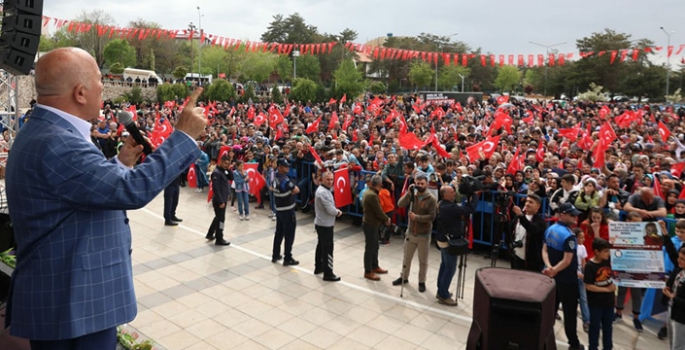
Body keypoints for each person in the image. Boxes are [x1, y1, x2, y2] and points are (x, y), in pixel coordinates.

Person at [4, 48, 206, 349]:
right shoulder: (58, 142)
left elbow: (79, 190)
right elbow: (132, 191)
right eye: (99, 80)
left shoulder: (46, 131)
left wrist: (121, 163)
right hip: (75, 303)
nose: (104, 87)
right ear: (81, 92)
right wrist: (184, 137)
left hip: (67, 297)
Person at [543, 202, 585, 350]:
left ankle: (543, 339)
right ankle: (573, 344)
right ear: (562, 215)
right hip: (567, 280)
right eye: (572, 215)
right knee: (569, 313)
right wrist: (554, 269)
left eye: (575, 215)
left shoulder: (550, 229)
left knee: (550, 311)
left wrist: (549, 267)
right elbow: (567, 260)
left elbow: (545, 251)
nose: (575, 217)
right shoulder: (569, 236)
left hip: (552, 278)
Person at [393, 174, 438, 293]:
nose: (419, 186)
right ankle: (404, 277)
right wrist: (408, 193)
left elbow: (432, 217)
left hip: (424, 234)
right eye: (417, 183)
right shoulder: (413, 194)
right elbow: (400, 204)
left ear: (427, 184)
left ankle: (421, 281)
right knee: (406, 257)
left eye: (422, 184)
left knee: (423, 261)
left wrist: (416, 217)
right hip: (411, 232)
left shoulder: (431, 199)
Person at [435, 185, 477, 306]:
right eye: (452, 192)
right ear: (445, 195)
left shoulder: (441, 204)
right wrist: (474, 196)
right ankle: (443, 295)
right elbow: (468, 210)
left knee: (444, 265)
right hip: (449, 241)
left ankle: (441, 290)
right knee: (450, 268)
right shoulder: (449, 207)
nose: (454, 194)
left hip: (442, 238)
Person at [615, 211, 646, 332]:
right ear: (628, 221)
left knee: (636, 294)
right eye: (635, 223)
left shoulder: (644, 234)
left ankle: (636, 318)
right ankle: (618, 313)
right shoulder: (620, 232)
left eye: (640, 223)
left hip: (638, 267)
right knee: (621, 291)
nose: (638, 225)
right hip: (623, 265)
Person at [584, 238, 615, 350]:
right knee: (595, 327)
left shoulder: (607, 260)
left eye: (608, 250)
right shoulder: (590, 266)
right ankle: (593, 347)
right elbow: (588, 286)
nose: (608, 253)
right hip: (595, 303)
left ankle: (608, 347)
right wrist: (607, 290)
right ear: (597, 252)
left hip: (609, 303)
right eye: (606, 251)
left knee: (608, 327)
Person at [659, 220, 685, 350]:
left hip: (681, 315)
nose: (678, 261)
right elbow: (672, 253)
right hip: (672, 308)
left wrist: (672, 296)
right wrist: (664, 232)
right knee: (673, 342)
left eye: (682, 259)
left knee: (679, 345)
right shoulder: (680, 268)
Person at [313, 171, 342, 282]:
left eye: (331, 179)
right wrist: (338, 212)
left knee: (320, 246)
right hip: (325, 225)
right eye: (328, 179)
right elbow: (330, 209)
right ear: (322, 179)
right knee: (328, 249)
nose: (330, 182)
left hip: (322, 223)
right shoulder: (323, 192)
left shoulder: (324, 190)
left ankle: (318, 266)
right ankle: (328, 272)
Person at [361, 175, 391, 281]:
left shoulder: (369, 192)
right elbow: (378, 211)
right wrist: (386, 219)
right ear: (380, 184)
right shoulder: (372, 195)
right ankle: (368, 271)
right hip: (371, 224)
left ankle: (375, 266)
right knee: (370, 248)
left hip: (372, 223)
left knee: (375, 246)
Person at [272, 158, 300, 266]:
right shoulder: (285, 180)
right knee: (289, 235)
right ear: (279, 167)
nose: (287, 168)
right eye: (285, 166)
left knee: (278, 233)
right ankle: (287, 257)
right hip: (288, 209)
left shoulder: (275, 178)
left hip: (279, 209)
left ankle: (275, 255)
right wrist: (291, 191)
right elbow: (296, 190)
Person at [509, 194, 546, 272]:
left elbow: (531, 228)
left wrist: (520, 215)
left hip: (530, 262)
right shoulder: (518, 217)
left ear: (538, 206)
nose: (527, 204)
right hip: (516, 257)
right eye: (526, 201)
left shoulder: (540, 222)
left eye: (531, 202)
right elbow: (509, 230)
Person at [206, 155, 233, 246]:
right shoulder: (217, 173)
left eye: (228, 164)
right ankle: (219, 238)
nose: (226, 165)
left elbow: (231, 178)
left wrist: (228, 169)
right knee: (221, 219)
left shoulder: (224, 171)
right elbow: (215, 188)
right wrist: (221, 201)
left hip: (223, 199)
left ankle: (210, 234)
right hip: (219, 200)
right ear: (220, 161)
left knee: (218, 217)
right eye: (225, 163)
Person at [575, 228, 590, 333]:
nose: (583, 239)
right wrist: (578, 274)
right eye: (581, 237)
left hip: (580, 276)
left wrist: (585, 274)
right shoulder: (570, 248)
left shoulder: (582, 247)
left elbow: (584, 262)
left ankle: (586, 321)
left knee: (584, 299)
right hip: (573, 275)